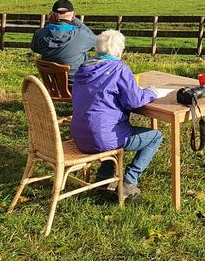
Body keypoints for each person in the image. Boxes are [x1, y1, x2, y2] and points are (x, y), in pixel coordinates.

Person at [70, 30, 165, 199]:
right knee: (155, 136)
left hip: (79, 135)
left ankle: (104, 178)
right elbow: (134, 101)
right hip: (104, 138)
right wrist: (151, 92)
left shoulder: (82, 70)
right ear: (120, 50)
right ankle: (129, 180)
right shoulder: (119, 69)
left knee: (107, 129)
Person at [31, 0, 96, 86]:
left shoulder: (39, 34)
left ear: (52, 16)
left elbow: (35, 48)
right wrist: (78, 22)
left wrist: (49, 23)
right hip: (77, 86)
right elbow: (95, 40)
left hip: (52, 85)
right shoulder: (81, 35)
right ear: (74, 15)